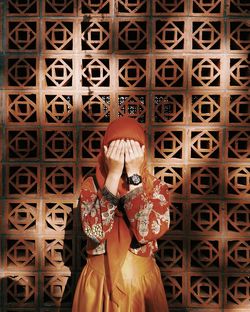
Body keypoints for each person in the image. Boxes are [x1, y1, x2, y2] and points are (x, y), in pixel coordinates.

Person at [72, 116, 170, 312]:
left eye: (131, 149)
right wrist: (113, 175)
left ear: (142, 152)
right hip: (99, 285)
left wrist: (134, 175)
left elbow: (146, 233)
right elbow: (94, 232)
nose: (124, 156)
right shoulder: (91, 186)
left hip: (142, 285)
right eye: (118, 149)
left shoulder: (155, 187)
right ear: (106, 151)